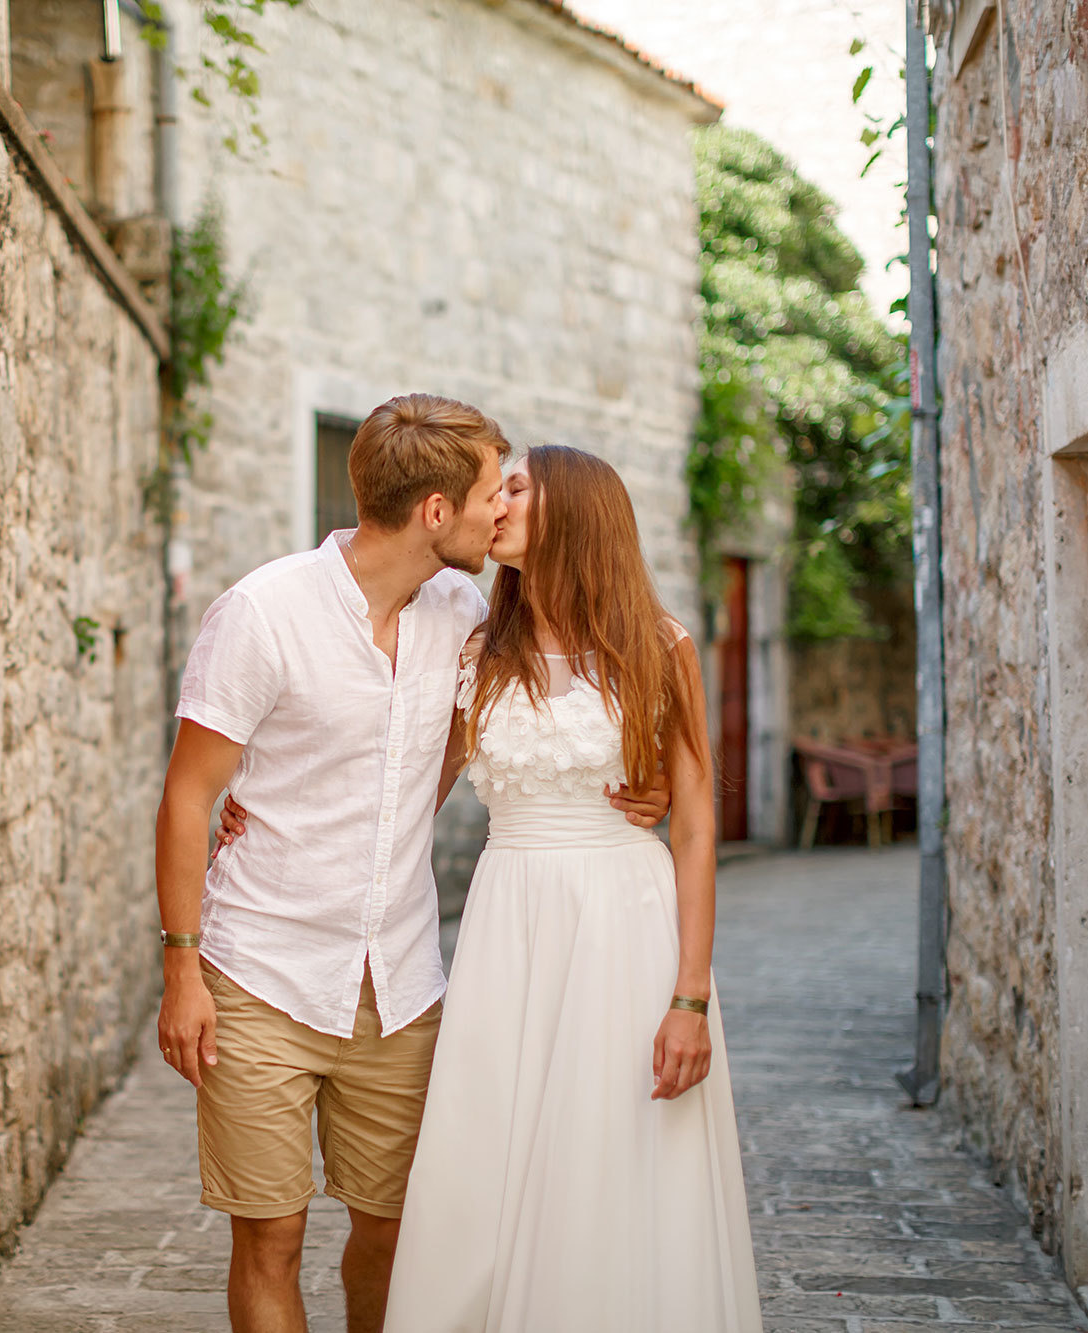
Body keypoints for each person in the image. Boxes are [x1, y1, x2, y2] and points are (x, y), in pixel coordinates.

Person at [154, 395, 668, 1333]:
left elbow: (533, 715)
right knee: (268, 1239)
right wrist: (181, 967)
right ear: (437, 512)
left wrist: (648, 784)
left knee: (394, 1233)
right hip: (260, 970)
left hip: (398, 981)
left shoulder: (463, 613)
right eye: (489, 494)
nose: (502, 510)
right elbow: (189, 795)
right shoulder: (262, 615)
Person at [381, 445, 762, 1331]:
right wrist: (270, 805)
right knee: (487, 1153)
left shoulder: (661, 647)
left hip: (624, 924)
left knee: (611, 1152)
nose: (496, 502)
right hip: (506, 921)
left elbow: (697, 824)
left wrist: (691, 997)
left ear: (577, 511)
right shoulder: (478, 646)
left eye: (515, 487)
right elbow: (406, 787)